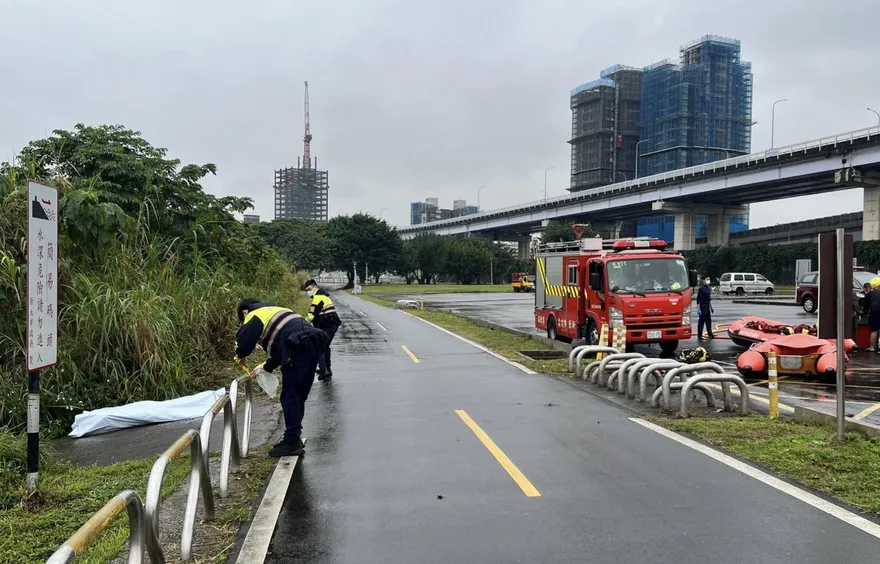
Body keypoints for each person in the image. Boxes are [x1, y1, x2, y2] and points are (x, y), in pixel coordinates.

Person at [235, 298, 328, 457]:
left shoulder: (255, 314)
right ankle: (294, 437)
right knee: (299, 396)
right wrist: (266, 366)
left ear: (245, 312)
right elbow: (282, 347)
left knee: (290, 396)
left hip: (297, 347)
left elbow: (244, 343)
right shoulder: (279, 310)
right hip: (314, 344)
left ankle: (292, 442)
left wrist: (240, 354)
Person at [304, 279, 342, 381]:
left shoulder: (318, 298)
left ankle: (323, 371)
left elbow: (311, 315)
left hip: (327, 325)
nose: (308, 291)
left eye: (309, 289)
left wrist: (302, 323)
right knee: (325, 347)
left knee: (319, 348)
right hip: (332, 325)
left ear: (314, 287)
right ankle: (328, 369)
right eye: (307, 290)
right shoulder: (324, 296)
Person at [696, 275, 714, 340]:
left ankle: (710, 333)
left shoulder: (709, 288)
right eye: (707, 279)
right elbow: (698, 299)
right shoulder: (701, 288)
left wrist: (711, 307)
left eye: (709, 279)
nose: (708, 280)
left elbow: (709, 299)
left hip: (707, 305)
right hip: (702, 306)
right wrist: (698, 309)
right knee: (702, 321)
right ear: (703, 280)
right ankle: (699, 335)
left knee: (708, 320)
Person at [866, 278, 880, 353]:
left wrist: (868, 308)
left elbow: (864, 303)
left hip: (874, 312)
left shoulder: (870, 294)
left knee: (874, 330)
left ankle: (872, 347)